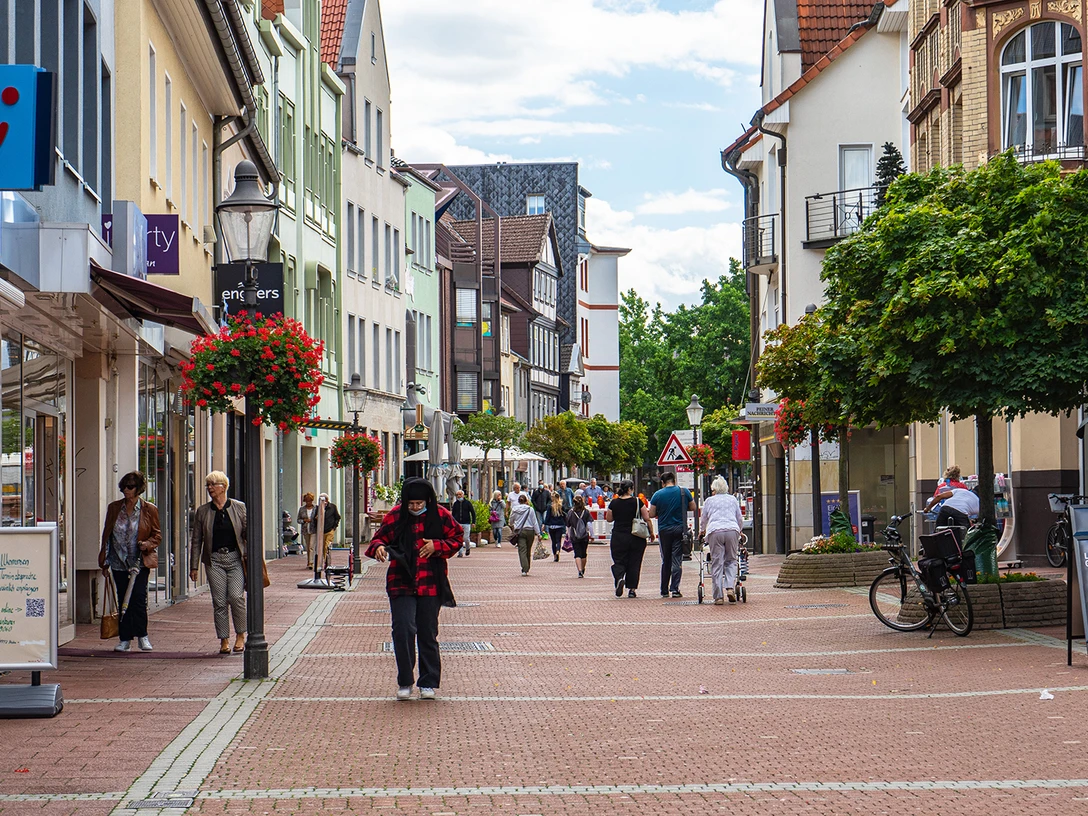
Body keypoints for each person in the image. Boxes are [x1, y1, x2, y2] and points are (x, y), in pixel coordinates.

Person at [366, 478, 461, 701]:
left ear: (428, 500)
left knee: (428, 632)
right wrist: (379, 547)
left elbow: (457, 538)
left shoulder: (441, 516)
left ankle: (428, 682)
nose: (416, 508)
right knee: (403, 629)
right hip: (401, 581)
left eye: (420, 503)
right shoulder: (396, 515)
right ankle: (405, 681)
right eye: (412, 504)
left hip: (431, 582)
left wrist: (436, 546)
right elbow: (377, 539)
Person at [98, 471, 161, 653]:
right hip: (118, 561)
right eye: (124, 486)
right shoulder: (114, 508)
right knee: (122, 598)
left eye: (131, 487)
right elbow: (107, 535)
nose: (126, 490)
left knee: (138, 599)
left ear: (138, 489)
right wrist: (105, 561)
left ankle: (143, 636)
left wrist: (147, 544)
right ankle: (124, 639)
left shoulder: (149, 509)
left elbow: (157, 535)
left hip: (139, 562)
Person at [189, 471, 247, 655]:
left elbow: (248, 533)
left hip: (235, 559)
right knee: (220, 601)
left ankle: (240, 634)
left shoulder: (239, 508)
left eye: (213, 484)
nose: (210, 488)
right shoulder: (203, 511)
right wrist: (194, 566)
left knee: (236, 597)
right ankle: (224, 639)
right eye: (208, 485)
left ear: (224, 486)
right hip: (214, 560)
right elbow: (197, 539)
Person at [649, 472, 696, 598]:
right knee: (677, 559)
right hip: (680, 529)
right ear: (674, 480)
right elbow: (693, 507)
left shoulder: (657, 495)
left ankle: (664, 590)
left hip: (664, 530)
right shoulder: (683, 492)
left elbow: (651, 514)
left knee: (666, 560)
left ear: (663, 482)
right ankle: (675, 589)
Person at [700, 476, 745, 604]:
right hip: (732, 530)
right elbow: (739, 518)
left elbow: (704, 519)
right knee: (731, 560)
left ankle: (718, 596)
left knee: (717, 563)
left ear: (714, 489)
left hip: (715, 531)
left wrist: (702, 531)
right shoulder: (732, 499)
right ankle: (730, 587)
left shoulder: (709, 501)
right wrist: (739, 530)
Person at [607, 479, 653, 598]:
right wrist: (652, 533)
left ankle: (619, 578)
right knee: (635, 562)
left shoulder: (614, 503)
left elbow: (609, 518)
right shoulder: (637, 502)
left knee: (618, 560)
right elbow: (647, 518)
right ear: (630, 489)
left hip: (618, 536)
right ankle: (632, 589)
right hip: (636, 536)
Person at [509, 492, 542, 575]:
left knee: (522, 550)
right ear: (526, 501)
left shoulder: (514, 509)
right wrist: (538, 533)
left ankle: (524, 568)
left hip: (520, 531)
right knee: (528, 550)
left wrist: (513, 524)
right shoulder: (530, 509)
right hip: (530, 531)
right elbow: (535, 522)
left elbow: (511, 521)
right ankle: (527, 566)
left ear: (519, 501)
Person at [566, 494, 593, 578]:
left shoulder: (571, 512)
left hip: (574, 535)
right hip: (584, 535)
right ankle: (583, 567)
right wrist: (592, 535)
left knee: (577, 553)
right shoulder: (586, 512)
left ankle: (579, 571)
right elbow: (589, 524)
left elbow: (568, 525)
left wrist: (569, 535)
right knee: (584, 553)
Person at [318, 492, 341, 568]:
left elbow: (337, 517)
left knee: (326, 546)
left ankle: (326, 562)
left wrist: (334, 527)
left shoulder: (332, 507)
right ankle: (322, 561)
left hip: (330, 530)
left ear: (326, 500)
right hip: (321, 531)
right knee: (321, 547)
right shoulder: (319, 508)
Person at [451, 489, 475, 557]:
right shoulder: (455, 504)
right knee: (459, 538)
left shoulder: (467, 503)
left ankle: (467, 548)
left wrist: (473, 522)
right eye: (457, 495)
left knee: (466, 538)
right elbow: (453, 514)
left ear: (463, 495)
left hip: (466, 523)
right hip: (458, 523)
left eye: (460, 494)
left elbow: (473, 512)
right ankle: (460, 552)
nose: (459, 496)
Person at [543, 494, 568, 562]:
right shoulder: (561, 506)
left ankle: (555, 556)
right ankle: (558, 550)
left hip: (552, 526)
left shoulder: (550, 507)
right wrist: (566, 524)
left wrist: (544, 524)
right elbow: (564, 516)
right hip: (559, 525)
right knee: (558, 540)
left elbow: (547, 517)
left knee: (553, 542)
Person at [296, 492, 317, 569]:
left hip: (313, 530)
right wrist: (304, 520)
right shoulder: (302, 509)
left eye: (310, 501)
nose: (308, 502)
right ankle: (308, 561)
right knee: (308, 546)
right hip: (305, 530)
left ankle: (311, 562)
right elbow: (298, 520)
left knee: (311, 546)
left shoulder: (316, 508)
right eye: (307, 501)